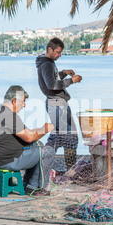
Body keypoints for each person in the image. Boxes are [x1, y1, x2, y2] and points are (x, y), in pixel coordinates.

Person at [0, 85, 55, 194]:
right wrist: (45, 130)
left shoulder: (1, 111)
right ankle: (35, 188)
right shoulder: (8, 115)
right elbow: (29, 137)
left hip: (1, 158)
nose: (24, 105)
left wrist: (41, 129)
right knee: (48, 152)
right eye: (23, 101)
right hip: (9, 160)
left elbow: (28, 132)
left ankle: (28, 184)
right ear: (14, 101)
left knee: (38, 145)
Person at [36, 37, 82, 171]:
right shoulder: (47, 64)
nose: (60, 55)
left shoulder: (48, 63)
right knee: (61, 137)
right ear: (49, 49)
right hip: (55, 103)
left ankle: (69, 169)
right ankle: (43, 165)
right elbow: (51, 84)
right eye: (58, 52)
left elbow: (52, 79)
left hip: (58, 103)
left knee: (67, 136)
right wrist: (71, 80)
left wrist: (62, 73)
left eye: (61, 52)